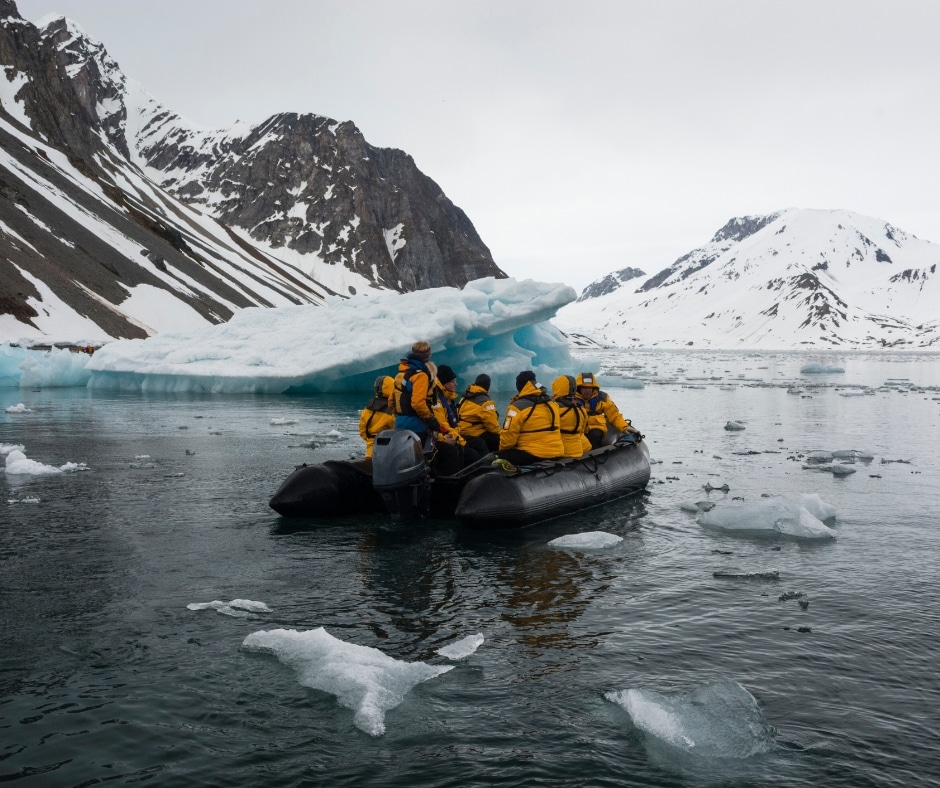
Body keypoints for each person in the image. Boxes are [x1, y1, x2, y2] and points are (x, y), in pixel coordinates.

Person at [496, 371, 564, 467]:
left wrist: (502, 451)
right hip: (557, 452)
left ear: (519, 387)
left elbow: (508, 439)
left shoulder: (517, 407)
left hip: (532, 455)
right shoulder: (552, 403)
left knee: (493, 457)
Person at [429, 364, 475, 475]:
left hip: (449, 435)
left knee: (477, 444)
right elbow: (442, 424)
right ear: (444, 383)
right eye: (453, 381)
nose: (456, 384)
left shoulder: (446, 396)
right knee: (465, 452)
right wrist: (460, 440)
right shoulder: (437, 400)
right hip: (439, 438)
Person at [390, 341, 439, 445]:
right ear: (428, 356)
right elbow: (417, 403)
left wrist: (400, 416)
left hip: (400, 424)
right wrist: (430, 419)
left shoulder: (401, 374)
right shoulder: (421, 376)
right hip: (416, 426)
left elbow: (391, 401)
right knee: (422, 455)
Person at [575, 371, 638, 449]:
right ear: (579, 388)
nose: (587, 390)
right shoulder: (571, 399)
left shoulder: (603, 398)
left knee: (594, 437)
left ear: (593, 388)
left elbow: (614, 416)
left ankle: (597, 456)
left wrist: (625, 427)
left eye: (589, 387)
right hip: (578, 429)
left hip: (595, 428)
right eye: (584, 388)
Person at [457, 373, 500, 455]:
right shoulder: (485, 402)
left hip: (461, 430)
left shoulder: (464, 397)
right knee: (498, 438)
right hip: (473, 432)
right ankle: (495, 460)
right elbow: (493, 428)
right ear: (488, 386)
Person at [551, 374, 591, 458]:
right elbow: (583, 430)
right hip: (578, 450)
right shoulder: (581, 408)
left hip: (562, 452)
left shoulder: (555, 408)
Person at [359, 375, 395, 458]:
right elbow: (398, 430)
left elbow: (362, 432)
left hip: (370, 452)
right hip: (387, 453)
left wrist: (371, 440)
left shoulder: (367, 409)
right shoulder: (392, 410)